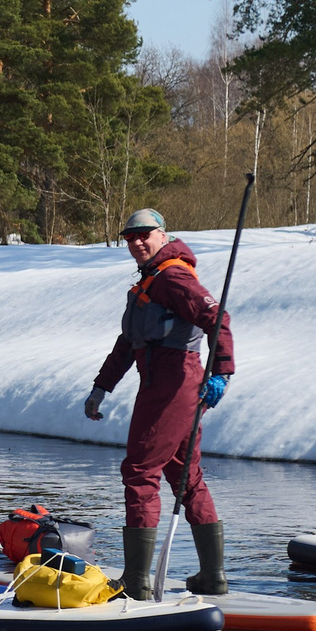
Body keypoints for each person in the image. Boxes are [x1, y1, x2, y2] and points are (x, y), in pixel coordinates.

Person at [85, 207, 236, 599]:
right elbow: (127, 344)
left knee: (139, 472)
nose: (136, 242)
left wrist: (221, 371)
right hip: (162, 382)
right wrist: (102, 387)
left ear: (163, 235)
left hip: (174, 384)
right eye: (129, 237)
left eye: (144, 235)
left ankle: (135, 580)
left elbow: (216, 317)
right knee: (186, 477)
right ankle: (212, 577)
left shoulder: (172, 276)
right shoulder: (150, 281)